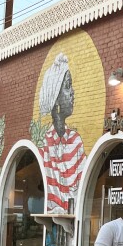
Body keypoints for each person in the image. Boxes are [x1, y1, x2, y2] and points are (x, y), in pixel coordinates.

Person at [38, 53, 86, 214]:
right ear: (55, 99)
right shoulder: (43, 143)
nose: (73, 92)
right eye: (68, 86)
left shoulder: (75, 140)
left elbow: (84, 185)